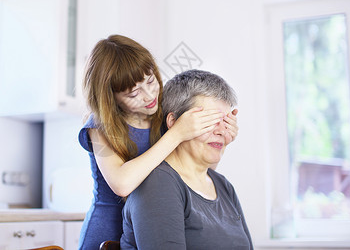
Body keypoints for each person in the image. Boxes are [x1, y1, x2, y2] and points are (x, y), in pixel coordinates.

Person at [78, 35, 239, 249]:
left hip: (153, 221)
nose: (149, 95)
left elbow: (196, 169)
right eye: (134, 93)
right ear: (110, 98)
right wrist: (177, 133)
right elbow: (122, 184)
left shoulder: (156, 112)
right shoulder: (97, 128)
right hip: (107, 232)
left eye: (151, 80)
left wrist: (222, 140)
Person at [121, 69, 253, 250]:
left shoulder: (223, 186)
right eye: (209, 120)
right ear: (174, 122)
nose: (222, 131)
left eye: (226, 121)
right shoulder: (158, 184)